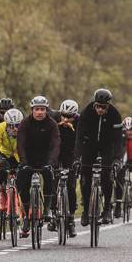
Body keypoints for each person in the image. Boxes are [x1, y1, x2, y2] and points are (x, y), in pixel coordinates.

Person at [75, 88, 124, 225]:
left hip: (107, 146)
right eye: (98, 106)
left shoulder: (115, 114)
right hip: (89, 145)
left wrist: (117, 159)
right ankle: (86, 210)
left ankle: (107, 208)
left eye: (103, 107)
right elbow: (79, 137)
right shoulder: (86, 113)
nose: (100, 110)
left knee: (107, 175)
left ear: (108, 106)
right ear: (94, 104)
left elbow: (118, 140)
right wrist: (77, 158)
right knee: (85, 177)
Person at [16, 96, 60, 239]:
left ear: (46, 110)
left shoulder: (52, 124)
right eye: (37, 109)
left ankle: (47, 209)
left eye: (42, 109)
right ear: (32, 110)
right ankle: (27, 216)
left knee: (49, 177)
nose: (40, 112)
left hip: (45, 158)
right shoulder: (25, 123)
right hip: (28, 158)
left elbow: (55, 144)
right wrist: (23, 162)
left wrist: (51, 162)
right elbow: (20, 144)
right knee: (22, 183)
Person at [0, 107, 23, 226]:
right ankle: (2, 193)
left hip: (17, 154)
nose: (14, 128)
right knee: (0, 171)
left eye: (17, 125)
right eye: (11, 126)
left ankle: (19, 208)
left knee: (21, 176)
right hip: (3, 153)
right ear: (6, 124)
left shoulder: (23, 129)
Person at [56, 99, 80, 237]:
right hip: (57, 153)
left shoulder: (79, 123)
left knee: (71, 187)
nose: (65, 119)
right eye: (63, 115)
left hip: (71, 155)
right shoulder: (54, 120)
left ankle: (71, 220)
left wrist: (78, 161)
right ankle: (54, 211)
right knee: (53, 182)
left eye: (69, 117)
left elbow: (81, 144)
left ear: (75, 116)